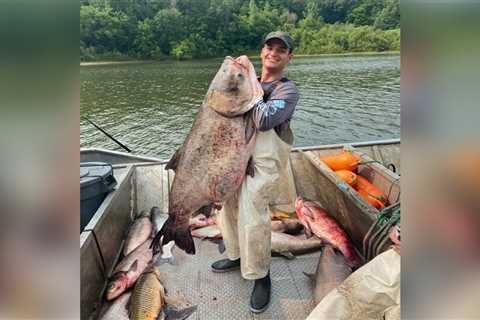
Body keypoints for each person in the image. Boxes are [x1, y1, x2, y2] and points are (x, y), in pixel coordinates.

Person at [211, 31, 300, 313]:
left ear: (289, 57)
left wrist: (249, 79)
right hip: (236, 156)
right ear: (262, 52)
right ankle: (236, 255)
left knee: (252, 215)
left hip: (263, 162)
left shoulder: (287, 90)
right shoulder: (250, 82)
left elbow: (263, 120)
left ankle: (262, 276)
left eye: (281, 50)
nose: (274, 52)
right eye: (269, 47)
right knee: (229, 209)